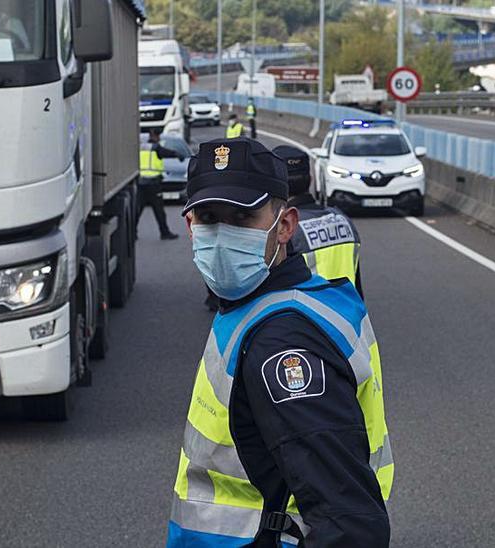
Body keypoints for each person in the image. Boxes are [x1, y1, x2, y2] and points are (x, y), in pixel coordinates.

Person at [167, 137, 393, 546]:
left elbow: (350, 524)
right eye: (208, 218)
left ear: (285, 225)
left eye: (241, 218)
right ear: (190, 226)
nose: (221, 234)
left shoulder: (283, 343)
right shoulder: (269, 305)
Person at [273, 145, 364, 297]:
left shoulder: (284, 231)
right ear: (310, 179)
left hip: (307, 317)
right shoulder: (343, 221)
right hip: (347, 314)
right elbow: (358, 289)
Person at [138, 131, 183, 240]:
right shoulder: (155, 148)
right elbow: (166, 152)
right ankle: (165, 233)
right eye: (158, 136)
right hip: (153, 184)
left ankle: (132, 234)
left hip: (141, 183)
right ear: (155, 136)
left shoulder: (141, 147)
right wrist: (177, 154)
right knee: (159, 211)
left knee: (137, 210)